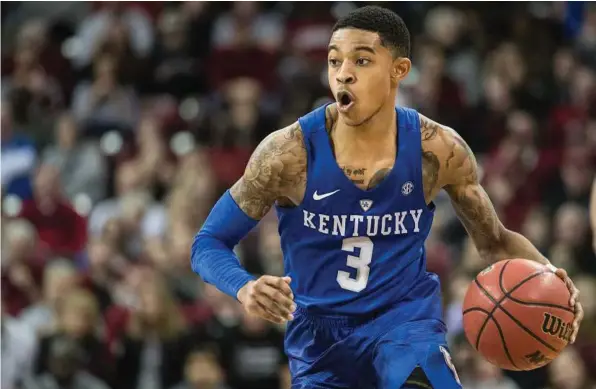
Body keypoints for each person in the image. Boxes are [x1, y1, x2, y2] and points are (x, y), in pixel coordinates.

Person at [191, 6, 584, 389]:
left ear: (399, 70)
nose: (343, 74)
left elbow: (495, 241)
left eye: (361, 61)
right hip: (319, 338)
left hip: (404, 323)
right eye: (333, 61)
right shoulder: (287, 155)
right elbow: (208, 242)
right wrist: (243, 286)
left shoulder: (439, 150)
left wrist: (552, 280)